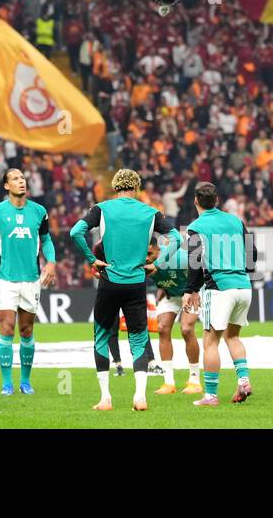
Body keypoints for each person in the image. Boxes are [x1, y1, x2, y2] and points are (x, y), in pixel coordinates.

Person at [70, 169, 168, 412]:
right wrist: (157, 264)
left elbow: (75, 232)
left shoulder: (102, 209)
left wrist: (92, 259)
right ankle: (140, 396)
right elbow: (176, 238)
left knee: (102, 336)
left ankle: (105, 399)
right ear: (136, 187)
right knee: (138, 338)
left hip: (109, 281)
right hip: (136, 282)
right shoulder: (150, 212)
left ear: (115, 186)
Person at [183, 182, 256, 408]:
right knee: (233, 337)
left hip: (219, 288)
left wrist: (190, 290)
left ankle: (211, 396)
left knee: (210, 342)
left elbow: (195, 261)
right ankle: (243, 381)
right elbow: (251, 251)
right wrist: (244, 272)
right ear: (217, 200)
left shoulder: (196, 226)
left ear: (196, 201)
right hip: (243, 286)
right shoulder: (235, 220)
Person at [0, 167, 56, 396]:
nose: (21, 181)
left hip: (31, 279)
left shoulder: (39, 211)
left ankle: (25, 381)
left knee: (26, 330)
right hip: (5, 279)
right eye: (15, 179)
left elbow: (46, 240)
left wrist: (52, 262)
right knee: (6, 328)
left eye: (23, 178)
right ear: (6, 186)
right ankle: (7, 383)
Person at [150, 228, 201, 394]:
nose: (146, 258)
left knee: (186, 329)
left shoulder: (178, 257)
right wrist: (160, 286)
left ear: (158, 249)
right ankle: (168, 383)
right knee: (162, 328)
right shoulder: (140, 261)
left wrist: (195, 290)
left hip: (192, 291)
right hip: (171, 293)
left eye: (150, 254)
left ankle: (194, 381)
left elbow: (199, 266)